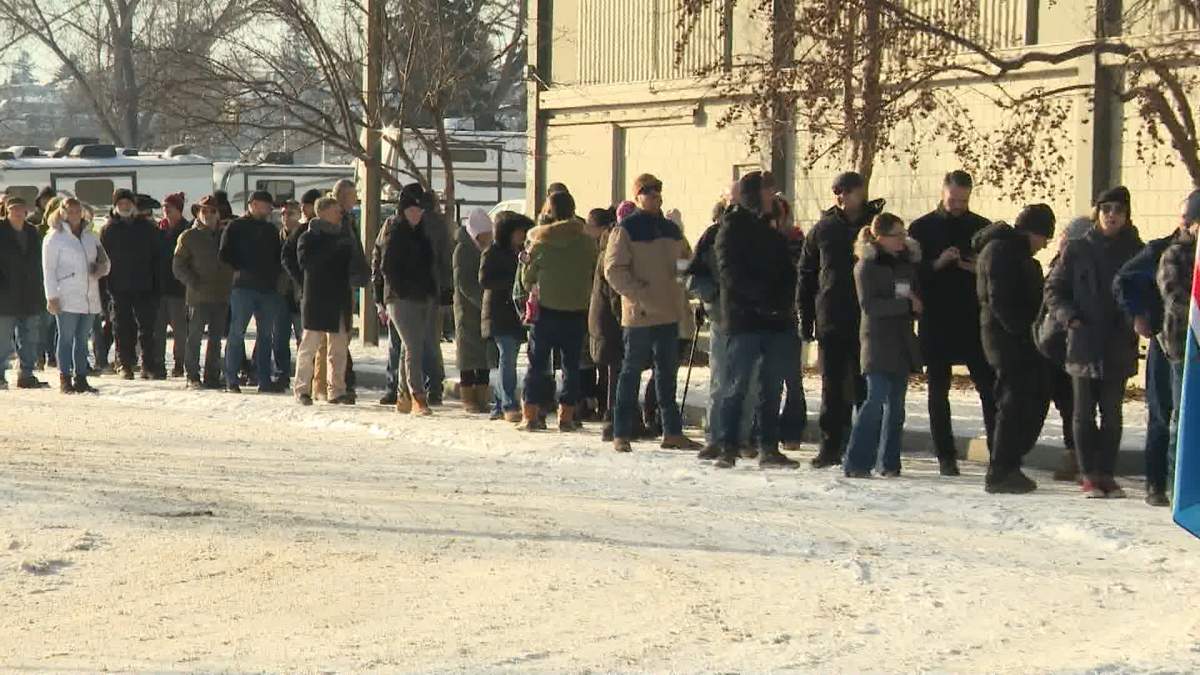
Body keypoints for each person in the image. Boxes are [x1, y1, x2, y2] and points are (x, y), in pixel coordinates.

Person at [1045, 186, 1144, 499]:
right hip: (1083, 340)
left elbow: (1145, 290)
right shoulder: (1077, 249)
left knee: (1112, 413)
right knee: (1083, 413)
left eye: (1118, 210)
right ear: (1097, 213)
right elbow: (1054, 289)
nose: (1111, 215)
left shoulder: (1135, 250)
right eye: (1106, 210)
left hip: (1118, 341)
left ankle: (1107, 474)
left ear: (1127, 216)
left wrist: (1138, 317)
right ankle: (1088, 474)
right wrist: (1068, 316)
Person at [908, 171, 997, 476]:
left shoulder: (981, 227)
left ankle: (998, 452)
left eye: (963, 200)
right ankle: (946, 455)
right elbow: (913, 276)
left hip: (972, 319)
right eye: (952, 200)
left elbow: (991, 273)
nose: (957, 205)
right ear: (942, 193)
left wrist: (973, 268)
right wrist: (938, 263)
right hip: (937, 317)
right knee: (938, 389)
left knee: (988, 386)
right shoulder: (921, 228)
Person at [711, 171, 802, 468]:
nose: (771, 198)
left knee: (771, 386)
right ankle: (727, 444)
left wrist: (784, 303)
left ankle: (768, 446)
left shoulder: (772, 232)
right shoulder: (731, 229)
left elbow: (786, 273)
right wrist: (761, 299)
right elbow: (730, 274)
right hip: (744, 320)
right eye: (766, 193)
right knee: (736, 384)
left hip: (775, 321)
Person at [604, 174, 701, 452]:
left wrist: (684, 288)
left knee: (667, 374)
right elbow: (613, 270)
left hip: (669, 312)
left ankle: (671, 431)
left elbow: (686, 263)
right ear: (637, 196)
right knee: (631, 372)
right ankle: (621, 432)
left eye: (657, 190)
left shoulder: (671, 230)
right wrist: (638, 293)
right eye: (647, 191)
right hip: (640, 314)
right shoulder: (626, 229)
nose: (654, 195)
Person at [799, 172, 880, 468]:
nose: (845, 197)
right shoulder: (824, 229)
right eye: (841, 191)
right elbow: (807, 275)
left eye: (853, 191)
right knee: (832, 388)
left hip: (868, 319)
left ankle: (866, 447)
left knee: (865, 387)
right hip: (831, 317)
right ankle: (830, 446)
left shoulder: (875, 226)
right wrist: (806, 317)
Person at [975, 206, 1056, 493]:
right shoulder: (1003, 252)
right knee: (1013, 403)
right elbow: (1001, 300)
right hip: (1008, 342)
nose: (1044, 244)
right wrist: (1024, 332)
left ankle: (1008, 464)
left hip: (1012, 339)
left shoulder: (1010, 253)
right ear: (1031, 232)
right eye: (1044, 237)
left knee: (1023, 400)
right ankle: (1002, 468)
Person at [840, 213, 923, 477]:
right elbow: (870, 305)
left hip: (902, 340)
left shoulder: (905, 264)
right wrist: (906, 304)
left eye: (903, 233)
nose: (902, 240)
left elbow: (912, 297)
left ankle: (889, 462)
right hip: (876, 341)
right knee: (874, 400)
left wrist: (914, 306)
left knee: (896, 405)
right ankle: (857, 461)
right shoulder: (866, 266)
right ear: (880, 237)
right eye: (896, 235)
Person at [1115, 207, 1186, 507]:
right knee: (1162, 414)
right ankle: (1156, 483)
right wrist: (1138, 315)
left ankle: (1182, 483)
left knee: (1187, 417)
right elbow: (1125, 279)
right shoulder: (1161, 251)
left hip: (1192, 346)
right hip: (1164, 340)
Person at [518, 191, 598, 432]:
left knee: (538, 365)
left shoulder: (541, 242)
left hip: (545, 312)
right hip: (576, 311)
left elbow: (527, 279)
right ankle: (566, 416)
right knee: (571, 366)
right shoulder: (586, 242)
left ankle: (531, 414)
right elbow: (593, 270)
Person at [688, 189, 758, 461]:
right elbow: (693, 276)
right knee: (721, 380)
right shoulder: (711, 236)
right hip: (722, 318)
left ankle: (740, 437)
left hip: (751, 317)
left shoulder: (757, 234)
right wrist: (713, 298)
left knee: (749, 382)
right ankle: (715, 437)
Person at [293, 195, 370, 405]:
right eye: (336, 210)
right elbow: (304, 263)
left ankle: (337, 390)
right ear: (324, 212)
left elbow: (356, 262)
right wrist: (332, 249)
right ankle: (302, 389)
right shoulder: (308, 237)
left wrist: (361, 273)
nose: (340, 214)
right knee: (309, 347)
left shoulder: (345, 237)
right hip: (317, 298)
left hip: (339, 298)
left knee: (338, 349)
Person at [1154, 189, 1200, 508]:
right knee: (1181, 419)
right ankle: (1176, 486)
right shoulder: (1176, 255)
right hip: (1185, 346)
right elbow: (1174, 296)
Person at [219, 190, 286, 394]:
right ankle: (231, 378)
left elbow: (278, 257)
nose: (269, 210)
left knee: (265, 336)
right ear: (254, 204)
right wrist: (241, 268)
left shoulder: (270, 230)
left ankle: (263, 379)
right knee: (237, 332)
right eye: (266, 205)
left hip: (268, 289)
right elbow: (224, 254)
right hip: (243, 288)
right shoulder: (235, 226)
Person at [381, 183, 440, 415]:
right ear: (403, 211)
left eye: (420, 211)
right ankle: (418, 395)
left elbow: (430, 265)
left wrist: (432, 290)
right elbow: (387, 267)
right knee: (413, 346)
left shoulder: (423, 234)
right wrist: (400, 290)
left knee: (409, 347)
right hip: (400, 297)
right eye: (412, 211)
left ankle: (403, 396)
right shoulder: (394, 232)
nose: (416, 215)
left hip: (421, 296)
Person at [42, 197, 110, 393]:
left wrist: (101, 269)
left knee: (82, 339)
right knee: (66, 338)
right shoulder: (54, 238)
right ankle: (65, 377)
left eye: (77, 210)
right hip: (66, 295)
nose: (74, 214)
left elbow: (105, 261)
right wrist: (51, 296)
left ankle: (81, 377)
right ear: (62, 212)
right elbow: (49, 270)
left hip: (89, 295)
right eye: (69, 211)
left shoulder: (91, 236)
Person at [173, 195, 234, 389]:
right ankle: (192, 375)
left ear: (218, 214)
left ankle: (212, 375)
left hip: (222, 294)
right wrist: (193, 282)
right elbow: (178, 266)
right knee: (195, 338)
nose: (208, 214)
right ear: (198, 213)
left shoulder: (225, 235)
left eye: (212, 211)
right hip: (197, 296)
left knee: (216, 338)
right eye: (204, 210)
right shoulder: (188, 236)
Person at [99, 189, 161, 380]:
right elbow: (102, 259)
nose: (125, 207)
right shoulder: (108, 229)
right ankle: (124, 364)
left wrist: (156, 284)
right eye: (121, 204)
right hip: (118, 287)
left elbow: (156, 258)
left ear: (133, 205)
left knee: (147, 328)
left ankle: (148, 365)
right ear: (115, 206)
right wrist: (105, 288)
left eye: (128, 203)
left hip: (145, 285)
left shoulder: (147, 228)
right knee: (121, 327)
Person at [482, 211, 532, 422]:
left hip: (516, 313)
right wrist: (512, 283)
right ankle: (509, 402)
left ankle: (499, 403)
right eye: (518, 232)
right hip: (499, 312)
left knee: (509, 358)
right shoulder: (492, 252)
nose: (522, 236)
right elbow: (485, 280)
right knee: (508, 357)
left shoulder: (521, 252)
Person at [0, 195, 49, 389]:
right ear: (6, 210)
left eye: (20, 209)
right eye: (13, 209)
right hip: (5, 295)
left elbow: (39, 263)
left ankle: (26, 375)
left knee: (29, 338)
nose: (17, 213)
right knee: (3, 339)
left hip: (30, 293)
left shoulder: (32, 232)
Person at [455, 209, 493, 413]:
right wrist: (483, 300)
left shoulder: (487, 249)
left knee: (484, 354)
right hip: (468, 310)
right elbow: (464, 283)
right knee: (468, 355)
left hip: (484, 309)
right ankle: (468, 396)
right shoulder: (463, 250)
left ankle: (482, 395)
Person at [155, 192, 191, 378]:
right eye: (163, 207)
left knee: (180, 331)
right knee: (158, 330)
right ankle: (158, 364)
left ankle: (180, 364)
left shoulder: (187, 229)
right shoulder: (158, 230)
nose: (165, 210)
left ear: (178, 209)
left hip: (179, 289)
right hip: (159, 288)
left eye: (169, 206)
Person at [274, 200, 305, 389]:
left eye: (291, 213)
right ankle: (281, 374)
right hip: (280, 294)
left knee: (304, 340)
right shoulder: (275, 237)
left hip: (300, 294)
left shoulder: (305, 235)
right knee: (279, 338)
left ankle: (304, 377)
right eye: (283, 214)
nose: (286, 217)